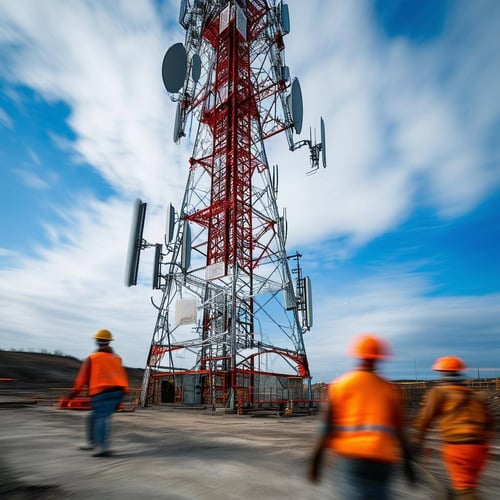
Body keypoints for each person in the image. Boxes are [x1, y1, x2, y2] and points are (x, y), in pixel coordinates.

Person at [307, 333, 415, 499]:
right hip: (382, 459)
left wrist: (315, 461)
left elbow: (325, 428)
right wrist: (408, 464)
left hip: (350, 458)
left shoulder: (341, 386)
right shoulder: (389, 389)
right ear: (379, 358)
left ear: (357, 355)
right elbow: (401, 431)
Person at [413, 356, 495, 499]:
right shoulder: (474, 395)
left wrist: (416, 442)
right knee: (467, 486)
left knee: (466, 491)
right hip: (480, 449)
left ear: (442, 373)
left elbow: (424, 419)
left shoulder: (439, 392)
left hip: (458, 447)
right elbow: (490, 423)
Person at [68, 329, 129, 457]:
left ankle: (102, 447)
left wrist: (74, 393)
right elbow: (122, 376)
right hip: (117, 392)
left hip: (101, 392)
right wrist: (125, 392)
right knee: (94, 417)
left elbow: (82, 378)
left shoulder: (92, 358)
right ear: (109, 342)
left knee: (101, 417)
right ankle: (92, 443)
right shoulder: (117, 358)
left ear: (97, 342)